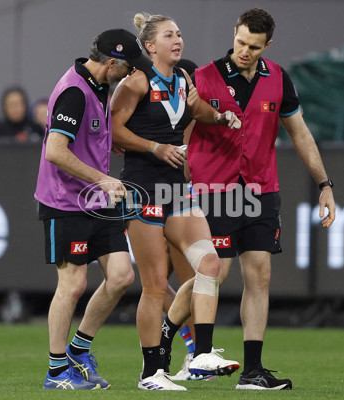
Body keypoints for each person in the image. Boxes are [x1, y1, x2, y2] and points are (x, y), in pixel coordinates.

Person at [163, 8, 337, 391]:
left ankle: (253, 372)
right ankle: (164, 344)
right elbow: (183, 133)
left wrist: (325, 184)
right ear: (234, 34)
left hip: (261, 190)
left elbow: (301, 134)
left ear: (267, 45)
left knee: (260, 275)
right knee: (215, 274)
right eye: (241, 42)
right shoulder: (204, 77)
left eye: (253, 46)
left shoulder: (278, 78)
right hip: (215, 191)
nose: (244, 51)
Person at [111, 12, 242, 391]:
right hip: (143, 191)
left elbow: (194, 107)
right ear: (150, 46)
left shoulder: (184, 79)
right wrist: (155, 147)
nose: (178, 40)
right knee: (154, 286)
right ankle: (150, 373)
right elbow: (114, 128)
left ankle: (200, 353)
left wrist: (219, 117)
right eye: (169, 35)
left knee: (210, 262)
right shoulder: (135, 82)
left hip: (176, 190)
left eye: (180, 34)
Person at [34, 28, 150, 390]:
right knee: (72, 285)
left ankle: (79, 350)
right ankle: (56, 372)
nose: (131, 73)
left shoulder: (100, 86)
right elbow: (55, 150)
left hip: (97, 201)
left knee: (120, 276)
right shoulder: (74, 92)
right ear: (111, 62)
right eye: (129, 67)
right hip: (66, 201)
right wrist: (100, 178)